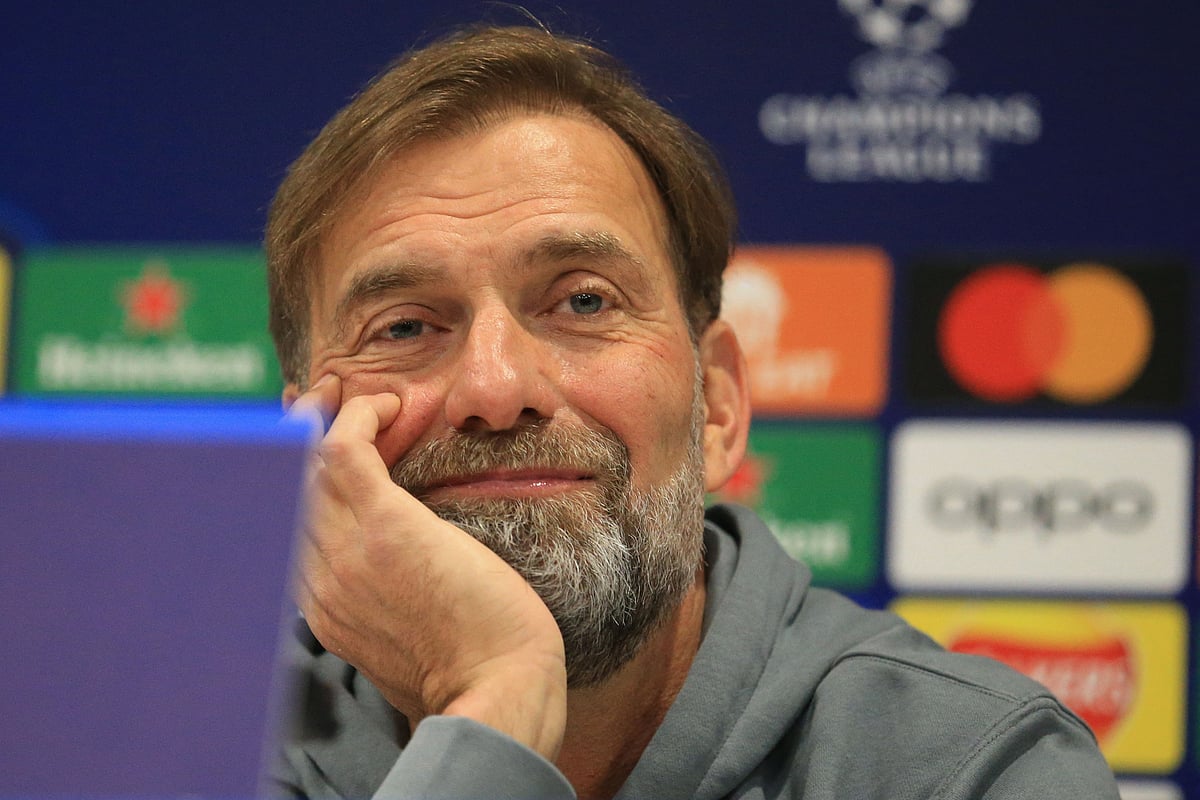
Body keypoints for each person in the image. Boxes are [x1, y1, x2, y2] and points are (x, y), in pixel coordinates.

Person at [266, 23, 1119, 800]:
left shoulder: (975, 769)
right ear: (303, 443)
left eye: (584, 302)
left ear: (718, 404)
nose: (494, 387)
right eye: (404, 326)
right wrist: (498, 701)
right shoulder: (202, 749)